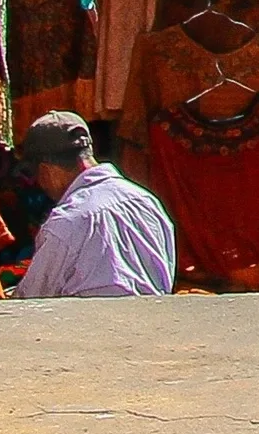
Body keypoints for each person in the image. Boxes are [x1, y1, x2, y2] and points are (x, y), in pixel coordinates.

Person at [10, 114, 178, 297]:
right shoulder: (147, 201)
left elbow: (31, 299)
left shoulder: (66, 221)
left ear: (45, 171)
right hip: (152, 313)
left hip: (94, 316)